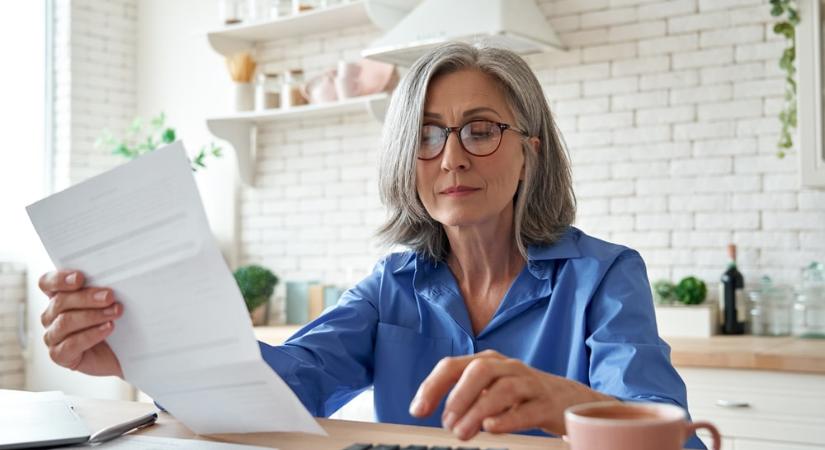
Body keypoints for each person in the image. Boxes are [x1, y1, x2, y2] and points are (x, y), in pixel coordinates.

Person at [38, 43, 705, 448]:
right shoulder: (393, 285)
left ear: (528, 153)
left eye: (479, 130)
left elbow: (677, 443)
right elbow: (282, 389)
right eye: (425, 134)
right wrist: (138, 350)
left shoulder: (604, 277)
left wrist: (565, 404)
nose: (449, 158)